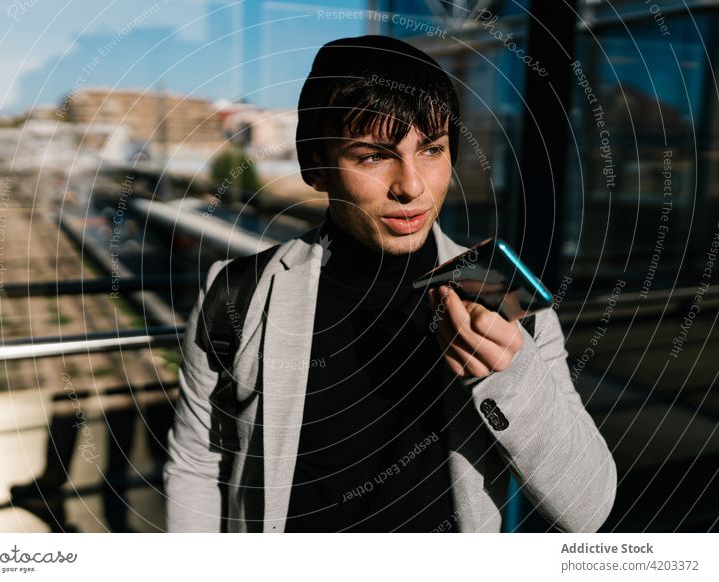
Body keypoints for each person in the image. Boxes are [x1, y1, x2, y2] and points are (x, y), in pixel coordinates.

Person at [164, 34, 617, 533]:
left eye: (431, 149)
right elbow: (198, 465)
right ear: (316, 166)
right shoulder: (239, 294)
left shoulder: (505, 302)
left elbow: (587, 508)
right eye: (374, 156)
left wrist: (508, 374)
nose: (412, 186)